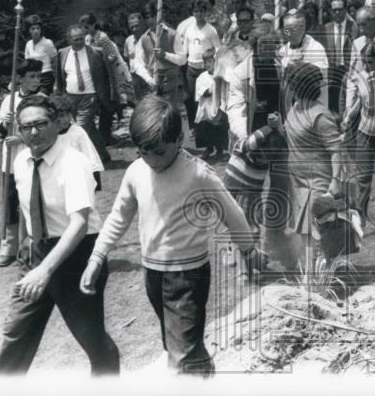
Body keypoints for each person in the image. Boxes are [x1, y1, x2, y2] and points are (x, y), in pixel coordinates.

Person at [81, 96, 259, 376]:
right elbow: (119, 216)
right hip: (152, 272)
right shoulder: (136, 171)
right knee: (177, 342)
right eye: (143, 152)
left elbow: (232, 213)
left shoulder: (197, 174)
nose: (151, 160)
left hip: (188, 275)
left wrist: (249, 251)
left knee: (181, 352)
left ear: (179, 139)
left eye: (159, 152)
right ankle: (203, 376)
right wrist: (97, 256)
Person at [0, 96, 120, 376]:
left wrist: (45, 271)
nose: (33, 132)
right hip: (36, 254)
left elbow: (79, 223)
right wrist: (27, 253)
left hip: (76, 257)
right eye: (26, 127)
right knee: (16, 334)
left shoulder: (74, 163)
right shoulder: (22, 161)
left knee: (94, 341)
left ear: (56, 123)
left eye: (40, 124)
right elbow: (27, 209)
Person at [277, 62, 346, 273]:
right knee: (306, 230)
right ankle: (316, 274)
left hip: (318, 180)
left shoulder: (320, 116)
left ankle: (318, 278)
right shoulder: (295, 108)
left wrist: (336, 181)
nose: (287, 87)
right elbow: (295, 137)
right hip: (298, 181)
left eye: (291, 83)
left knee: (318, 229)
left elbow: (336, 150)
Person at [0, 59, 46, 268]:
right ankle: (9, 249)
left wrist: (23, 139)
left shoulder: (41, 100)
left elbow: (49, 130)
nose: (36, 80)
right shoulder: (9, 99)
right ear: (20, 79)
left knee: (32, 204)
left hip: (33, 159)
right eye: (31, 76)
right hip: (12, 161)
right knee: (10, 203)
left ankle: (31, 248)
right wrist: (5, 123)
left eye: (39, 76)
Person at [340, 41, 375, 219]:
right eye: (364, 62)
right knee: (363, 176)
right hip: (365, 130)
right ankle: (360, 215)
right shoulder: (360, 76)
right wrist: (348, 118)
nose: (367, 66)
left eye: (371, 62)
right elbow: (360, 102)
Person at [55, 25, 114, 165]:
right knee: (90, 129)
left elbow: (108, 75)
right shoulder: (62, 53)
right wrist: (59, 95)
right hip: (70, 98)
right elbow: (60, 76)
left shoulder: (96, 53)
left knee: (79, 128)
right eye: (76, 39)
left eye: (82, 38)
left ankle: (76, 160)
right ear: (69, 40)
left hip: (90, 98)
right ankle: (103, 155)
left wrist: (110, 95)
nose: (80, 42)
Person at [164, 0, 222, 131]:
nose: (198, 14)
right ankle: (193, 128)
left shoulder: (211, 30)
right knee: (190, 98)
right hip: (191, 69)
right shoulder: (189, 29)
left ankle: (210, 128)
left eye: (201, 11)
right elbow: (184, 52)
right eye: (195, 11)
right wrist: (173, 57)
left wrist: (215, 68)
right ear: (192, 13)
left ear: (205, 12)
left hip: (205, 69)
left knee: (206, 99)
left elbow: (218, 50)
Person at [51, 94, 104, 192]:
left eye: (68, 115)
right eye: (61, 116)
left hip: (77, 180)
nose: (66, 119)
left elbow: (90, 156)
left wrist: (95, 184)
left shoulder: (77, 132)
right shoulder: (50, 136)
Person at [318, 0, 356, 114]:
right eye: (335, 10)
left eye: (340, 9)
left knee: (347, 105)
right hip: (331, 73)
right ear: (330, 11)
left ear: (345, 10)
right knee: (331, 105)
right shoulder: (325, 28)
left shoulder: (354, 26)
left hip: (348, 71)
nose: (338, 12)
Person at [193, 48, 228, 160]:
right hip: (206, 107)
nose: (207, 64)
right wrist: (208, 91)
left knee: (219, 128)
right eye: (205, 62)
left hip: (218, 106)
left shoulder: (221, 76)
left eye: (210, 61)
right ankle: (208, 148)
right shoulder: (202, 77)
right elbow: (199, 92)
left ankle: (220, 150)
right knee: (206, 129)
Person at [125, 12, 156, 104]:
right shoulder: (128, 41)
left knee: (151, 103)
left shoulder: (150, 38)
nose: (134, 29)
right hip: (135, 79)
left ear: (142, 24)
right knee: (139, 104)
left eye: (136, 26)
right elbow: (127, 59)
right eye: (131, 27)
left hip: (148, 77)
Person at [24, 15, 57, 95]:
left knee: (40, 99)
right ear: (29, 30)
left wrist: (56, 82)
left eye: (38, 28)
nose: (36, 31)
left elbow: (56, 62)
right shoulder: (28, 44)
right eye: (33, 29)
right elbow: (27, 65)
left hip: (46, 78)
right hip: (33, 78)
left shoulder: (47, 43)